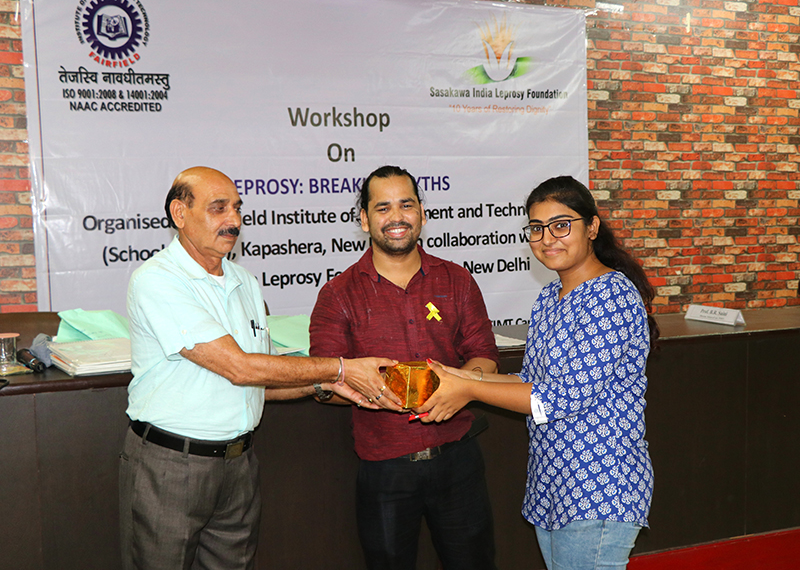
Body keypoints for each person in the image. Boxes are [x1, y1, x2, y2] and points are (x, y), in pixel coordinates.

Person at [120, 166, 401, 570]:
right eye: (218, 208)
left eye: (237, 208)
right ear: (180, 214)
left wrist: (325, 385)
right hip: (172, 465)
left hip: (239, 464)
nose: (233, 220)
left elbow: (260, 382)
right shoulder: (158, 280)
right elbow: (239, 368)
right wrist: (341, 369)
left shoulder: (245, 282)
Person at [417, 175, 658, 570]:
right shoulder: (549, 296)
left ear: (592, 227)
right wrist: (460, 377)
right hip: (554, 484)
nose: (547, 239)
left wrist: (468, 390)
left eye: (561, 225)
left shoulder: (611, 296)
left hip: (598, 486)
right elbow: (528, 382)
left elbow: (559, 398)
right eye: (536, 228)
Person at [309, 165, 500, 570]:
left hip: (458, 458)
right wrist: (365, 391)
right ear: (364, 219)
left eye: (406, 205)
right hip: (385, 469)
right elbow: (324, 379)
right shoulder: (337, 294)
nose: (396, 217)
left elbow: (485, 355)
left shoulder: (457, 280)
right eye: (383, 208)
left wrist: (461, 388)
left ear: (422, 214)